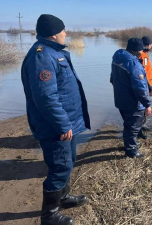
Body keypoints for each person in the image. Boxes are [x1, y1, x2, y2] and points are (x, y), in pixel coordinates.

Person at [21, 14, 90, 225]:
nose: (65, 33)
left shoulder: (54, 53)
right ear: (53, 34)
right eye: (63, 30)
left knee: (67, 163)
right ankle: (49, 215)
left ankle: (64, 198)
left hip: (65, 122)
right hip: (55, 126)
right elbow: (45, 97)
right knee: (59, 167)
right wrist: (62, 124)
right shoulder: (42, 56)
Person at [110, 38, 152, 158]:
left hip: (120, 99)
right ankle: (131, 151)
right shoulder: (134, 65)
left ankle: (130, 144)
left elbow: (112, 79)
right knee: (132, 127)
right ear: (138, 51)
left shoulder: (117, 58)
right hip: (133, 102)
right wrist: (147, 104)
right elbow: (139, 89)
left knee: (128, 124)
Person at [137, 36, 152, 140]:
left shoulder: (144, 55)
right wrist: (150, 88)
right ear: (148, 45)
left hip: (145, 85)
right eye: (151, 44)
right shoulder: (143, 56)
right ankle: (139, 130)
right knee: (141, 108)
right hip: (144, 86)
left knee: (142, 108)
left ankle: (142, 126)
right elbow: (143, 74)